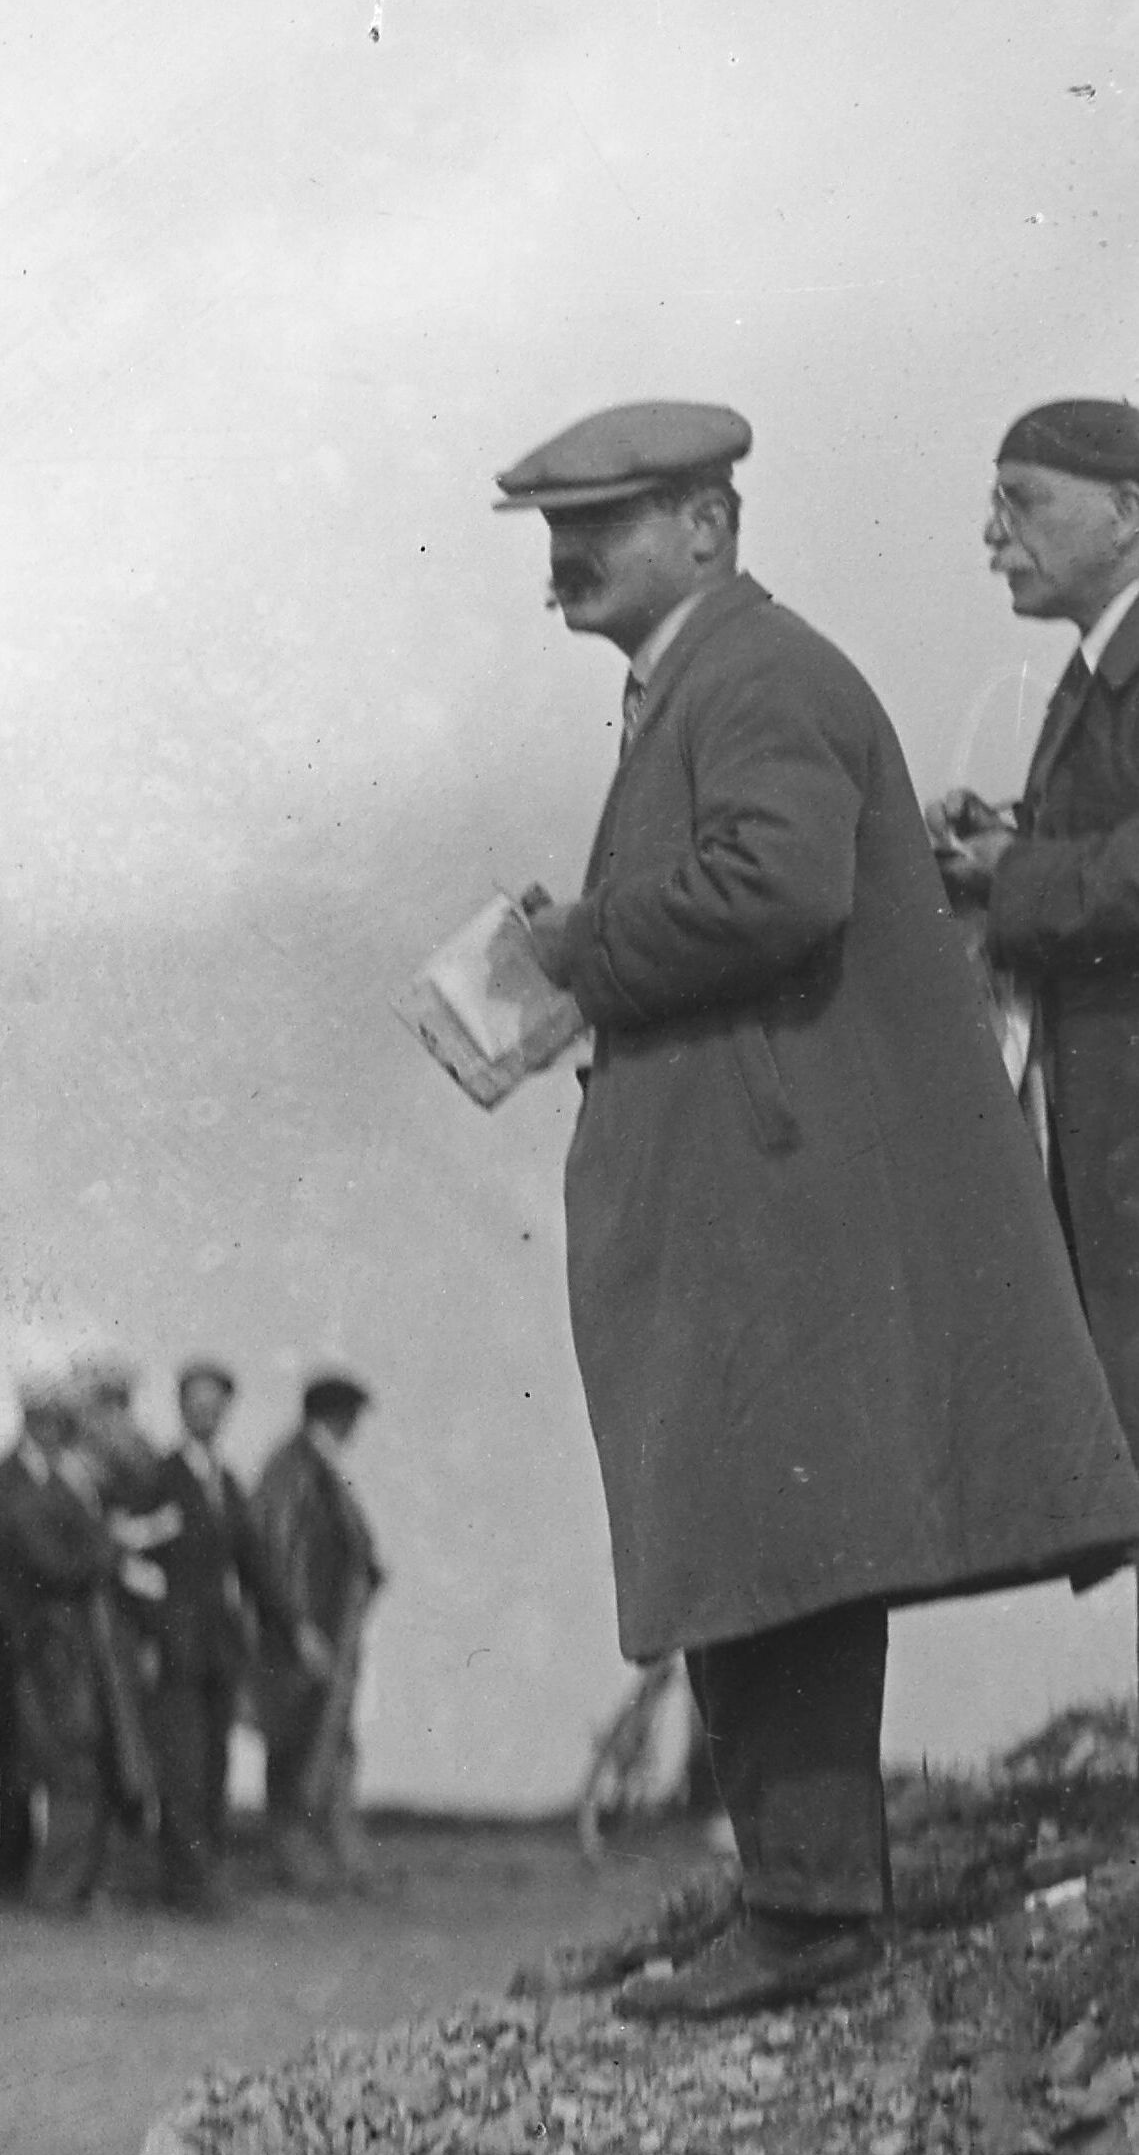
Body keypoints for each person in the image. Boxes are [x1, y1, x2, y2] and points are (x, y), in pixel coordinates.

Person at [487, 396, 1139, 2016]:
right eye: (555, 530)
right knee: (760, 1536)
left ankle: (806, 1911)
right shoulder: (706, 675)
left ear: (706, 526)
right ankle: (800, 1895)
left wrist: (576, 947)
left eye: (603, 523)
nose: (565, 556)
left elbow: (777, 884)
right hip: (746, 1185)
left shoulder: (753, 673)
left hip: (765, 1196)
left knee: (768, 1535)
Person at [935, 392, 1139, 1516]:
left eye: (1021, 501)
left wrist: (1007, 874)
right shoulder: (1101, 660)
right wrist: (1004, 834)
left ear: (1126, 512)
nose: (992, 533)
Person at [0, 1378, 121, 1912]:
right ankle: (11, 1877)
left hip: (56, 1650)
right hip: (6, 1649)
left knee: (49, 1760)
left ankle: (41, 1880)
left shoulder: (68, 1483)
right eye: (48, 1420)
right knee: (14, 1764)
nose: (56, 1431)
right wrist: (15, 1617)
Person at [132, 1359, 293, 1903]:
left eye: (214, 1406)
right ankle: (185, 1883)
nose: (204, 1414)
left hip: (219, 1648)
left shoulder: (226, 1481)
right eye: (194, 1404)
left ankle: (205, 1875)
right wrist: (150, 1637)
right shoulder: (159, 1478)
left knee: (214, 1763)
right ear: (180, 1409)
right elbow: (135, 1565)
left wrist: (294, 1629)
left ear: (226, 1412)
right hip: (174, 1648)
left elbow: (254, 1564)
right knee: (182, 1764)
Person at [245, 1373, 389, 1892]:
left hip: (327, 1638)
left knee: (326, 1745)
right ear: (335, 1417)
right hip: (305, 1642)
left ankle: (335, 1861)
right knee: (302, 1747)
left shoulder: (313, 1467)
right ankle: (302, 1864)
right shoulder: (294, 1469)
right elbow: (276, 1555)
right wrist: (300, 1628)